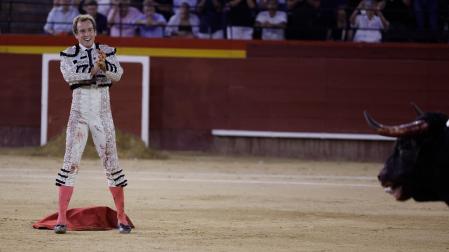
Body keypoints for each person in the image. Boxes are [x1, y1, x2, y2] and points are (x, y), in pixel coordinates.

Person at [54, 14, 130, 234]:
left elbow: (119, 75)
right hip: (78, 114)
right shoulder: (68, 55)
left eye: (90, 30)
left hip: (102, 114)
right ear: (76, 34)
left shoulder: (108, 51)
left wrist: (104, 65)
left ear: (95, 31)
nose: (86, 34)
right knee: (70, 162)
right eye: (82, 31)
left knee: (112, 164)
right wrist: (95, 70)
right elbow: (70, 76)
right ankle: (61, 219)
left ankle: (122, 218)